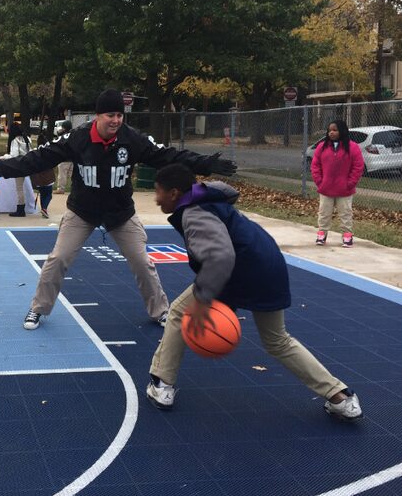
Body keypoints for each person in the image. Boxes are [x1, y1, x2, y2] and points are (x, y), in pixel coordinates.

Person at [0, 88, 236, 331]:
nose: (115, 120)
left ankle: (160, 310)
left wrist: (205, 163)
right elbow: (39, 157)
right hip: (83, 210)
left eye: (119, 115)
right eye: (110, 115)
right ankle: (39, 307)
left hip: (120, 212)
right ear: (98, 116)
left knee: (141, 261)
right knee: (57, 258)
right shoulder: (78, 138)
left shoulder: (132, 139)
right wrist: (4, 169)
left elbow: (168, 156)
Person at [145, 163, 362, 420]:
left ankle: (162, 385)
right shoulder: (206, 197)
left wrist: (203, 300)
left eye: (158, 192)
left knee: (179, 313)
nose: (156, 198)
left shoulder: (194, 213)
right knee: (278, 339)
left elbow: (220, 258)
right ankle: (341, 397)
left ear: (173, 193)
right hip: (268, 266)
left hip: (241, 271)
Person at [311, 119, 364, 248]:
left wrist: (350, 183)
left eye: (335, 130)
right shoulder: (322, 147)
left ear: (342, 131)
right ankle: (322, 234)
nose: (331, 133)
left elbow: (358, 166)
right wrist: (320, 182)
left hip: (344, 189)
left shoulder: (352, 147)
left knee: (345, 213)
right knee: (324, 213)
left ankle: (347, 236)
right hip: (326, 188)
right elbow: (315, 165)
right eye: (329, 130)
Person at [0, 122, 31, 217]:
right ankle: (22, 208)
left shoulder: (15, 141)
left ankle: (21, 209)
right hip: (28, 164)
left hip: (19, 166)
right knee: (22, 187)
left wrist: (1, 157)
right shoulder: (27, 138)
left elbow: (14, 155)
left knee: (19, 188)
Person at [32, 134, 55, 218]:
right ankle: (44, 208)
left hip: (38, 177)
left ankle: (43, 208)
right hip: (47, 176)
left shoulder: (35, 151)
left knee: (42, 193)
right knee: (48, 194)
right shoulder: (48, 151)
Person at [54, 120, 73, 194]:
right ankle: (75, 189)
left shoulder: (63, 136)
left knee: (62, 175)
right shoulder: (73, 135)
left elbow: (58, 139)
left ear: (64, 128)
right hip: (72, 159)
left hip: (64, 159)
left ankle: (61, 189)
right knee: (73, 176)